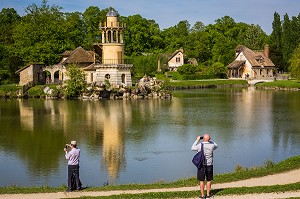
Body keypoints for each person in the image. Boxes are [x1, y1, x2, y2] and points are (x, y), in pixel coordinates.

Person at [191, 134, 218, 199]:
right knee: (209, 180)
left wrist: (197, 140)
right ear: (209, 139)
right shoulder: (212, 145)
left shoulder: (200, 145)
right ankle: (208, 195)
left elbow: (192, 148)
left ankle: (202, 196)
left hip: (201, 165)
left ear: (203, 139)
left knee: (201, 180)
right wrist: (210, 140)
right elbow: (216, 145)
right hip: (209, 165)